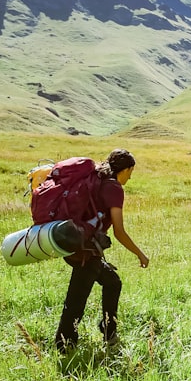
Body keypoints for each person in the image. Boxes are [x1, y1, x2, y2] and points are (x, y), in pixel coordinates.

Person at [55, 149, 149, 352]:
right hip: (86, 249)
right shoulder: (114, 189)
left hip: (75, 241)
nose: (130, 177)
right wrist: (140, 253)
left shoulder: (97, 178)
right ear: (126, 169)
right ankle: (64, 344)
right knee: (77, 299)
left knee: (112, 282)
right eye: (131, 171)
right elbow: (119, 232)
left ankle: (109, 330)